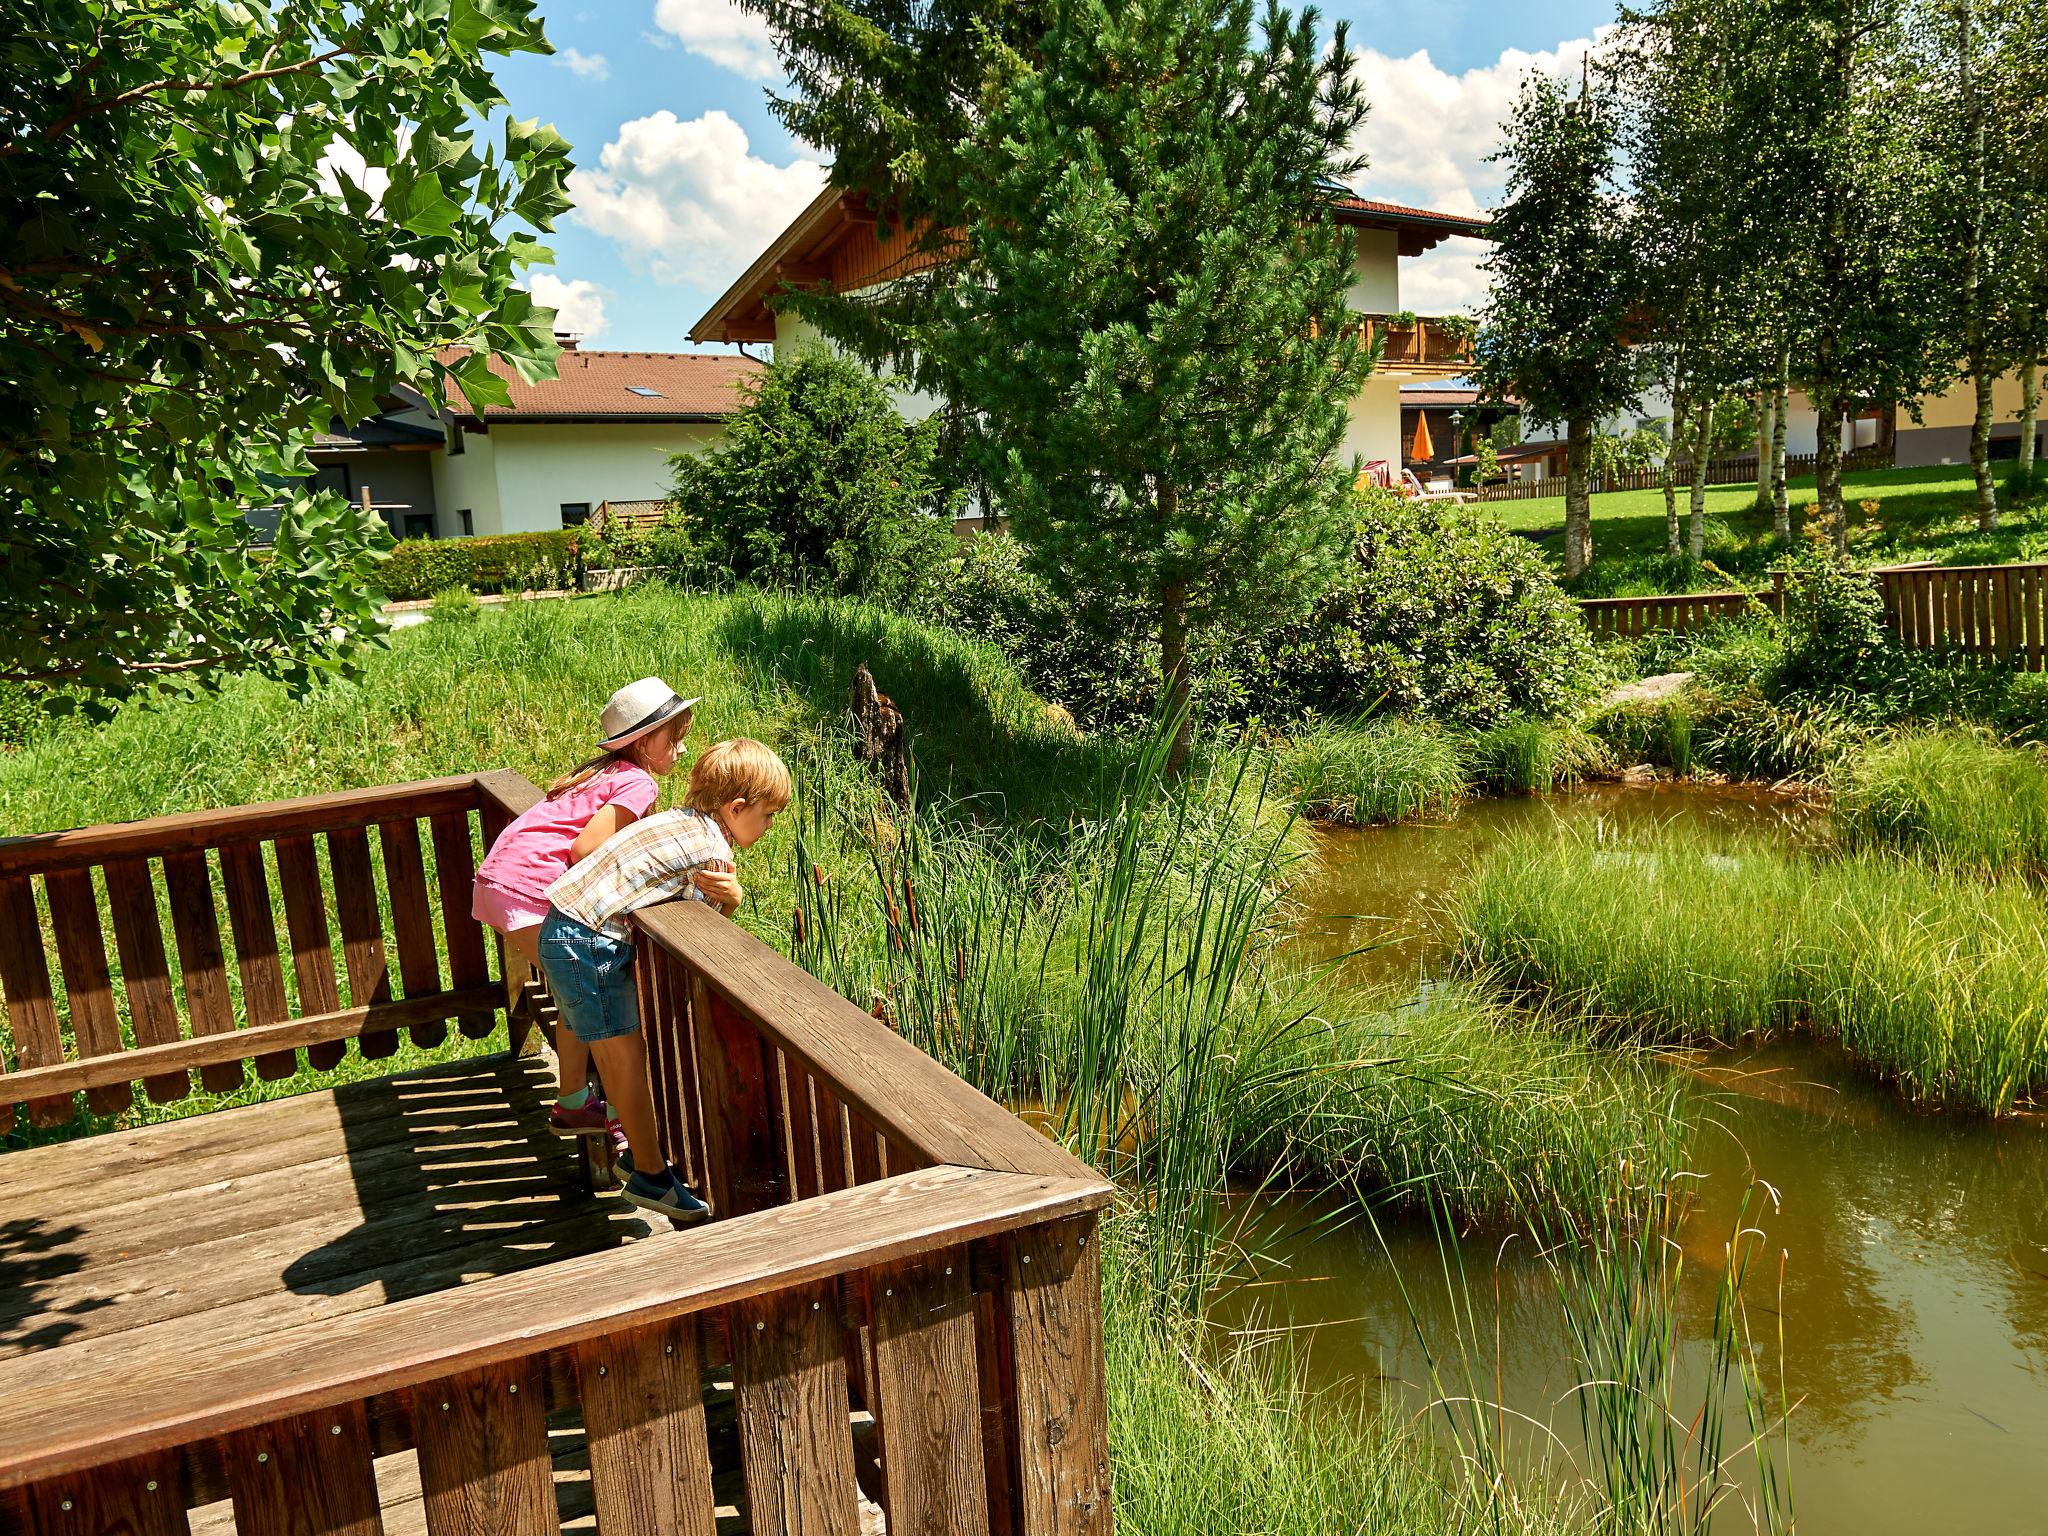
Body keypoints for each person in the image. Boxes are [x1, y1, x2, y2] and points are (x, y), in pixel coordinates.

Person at [470, 677, 739, 1137]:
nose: (680, 749)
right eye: (673, 738)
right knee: (595, 996)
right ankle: (606, 1110)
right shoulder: (638, 784)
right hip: (530, 890)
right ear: (643, 741)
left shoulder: (605, 770)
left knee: (577, 995)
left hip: (502, 881)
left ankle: (574, 1101)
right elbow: (585, 849)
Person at [539, 738, 792, 1220]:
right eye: (768, 815)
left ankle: (639, 1153)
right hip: (589, 940)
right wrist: (732, 900)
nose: (769, 826)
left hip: (565, 925)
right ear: (736, 808)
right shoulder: (713, 850)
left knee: (616, 1051)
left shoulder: (678, 820)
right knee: (625, 1062)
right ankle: (652, 1177)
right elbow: (702, 929)